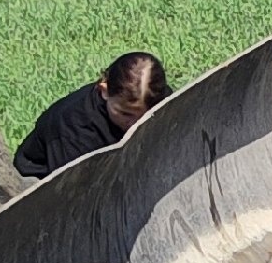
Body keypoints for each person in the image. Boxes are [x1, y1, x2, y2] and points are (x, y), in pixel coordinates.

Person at [13, 51, 170, 179]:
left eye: (145, 115)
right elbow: (69, 193)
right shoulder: (74, 128)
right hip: (41, 183)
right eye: (125, 113)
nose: (135, 123)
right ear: (104, 91)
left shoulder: (155, 98)